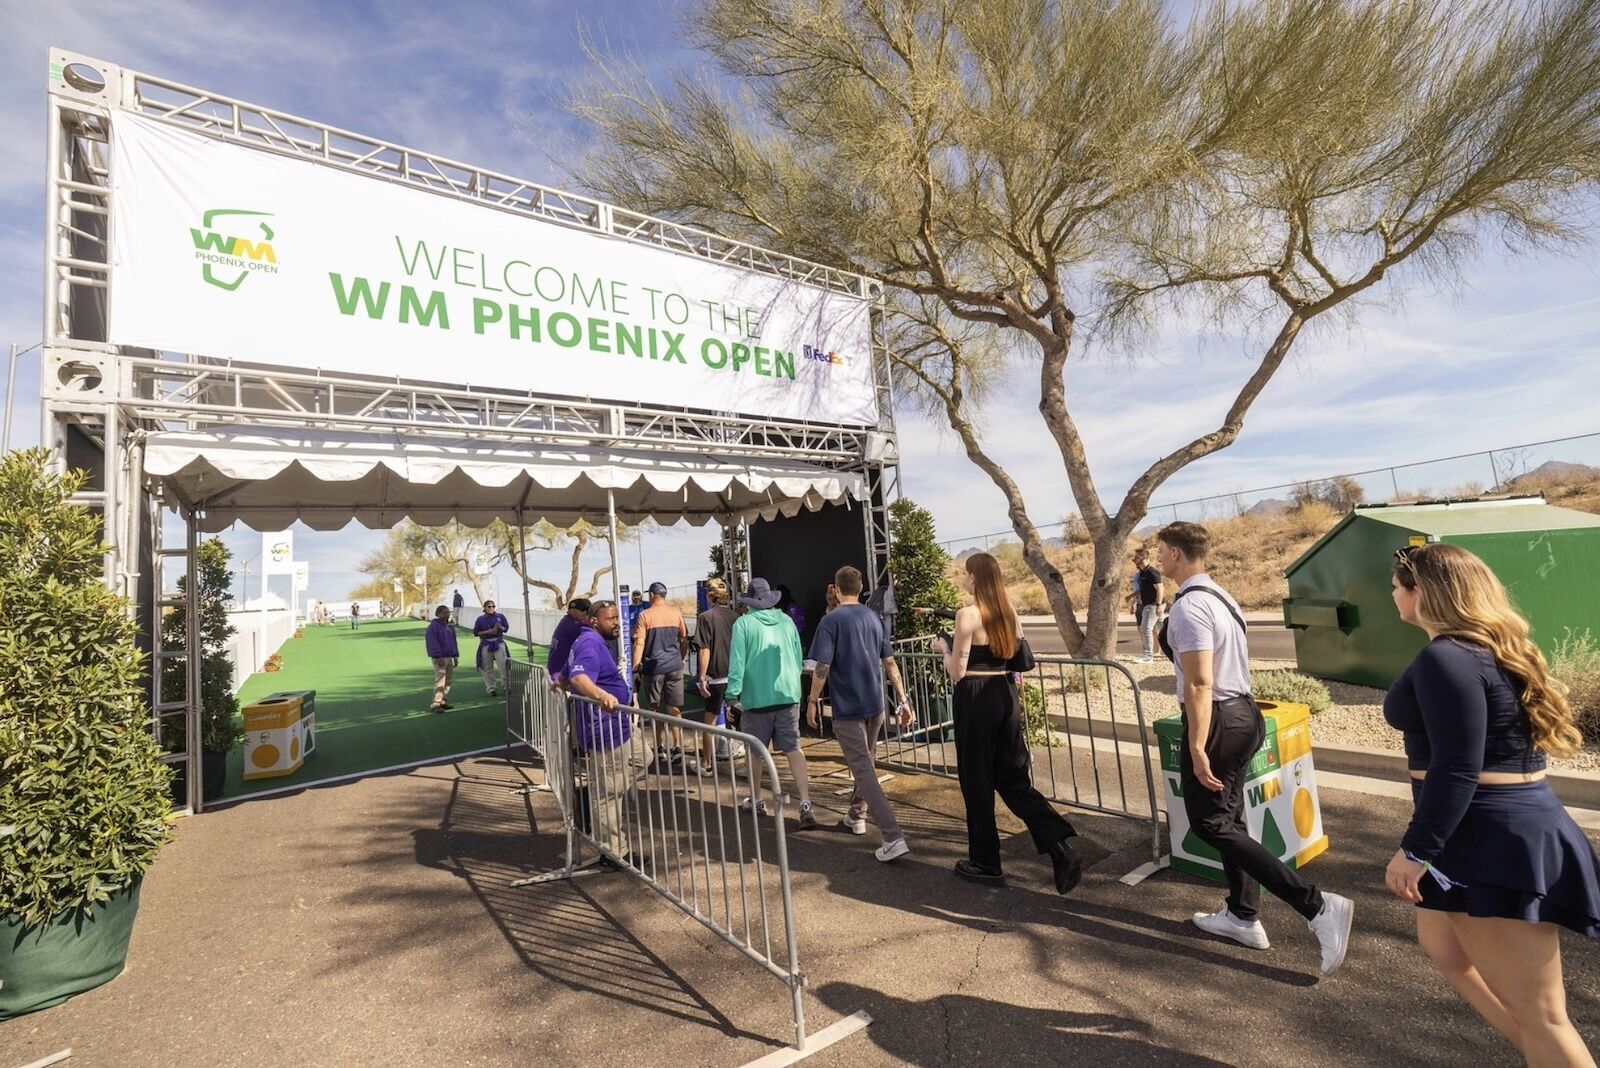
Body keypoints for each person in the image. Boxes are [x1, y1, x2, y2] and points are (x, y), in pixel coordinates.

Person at [1384, 542, 1599, 1062]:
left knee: (1544, 1015)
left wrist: (1416, 851)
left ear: (1422, 593)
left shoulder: (1447, 657)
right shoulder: (1476, 651)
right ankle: (1540, 1055)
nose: (1391, 595)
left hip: (1488, 840)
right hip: (1483, 831)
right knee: (1447, 950)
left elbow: (1459, 766)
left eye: (1396, 586)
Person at [1156, 521, 1353, 974]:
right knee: (1229, 818)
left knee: (1208, 824)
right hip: (1244, 714)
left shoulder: (1189, 608)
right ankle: (1243, 916)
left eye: (1160, 550)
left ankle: (1318, 907)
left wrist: (1198, 745)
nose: (1158, 558)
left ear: (1174, 554)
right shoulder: (1220, 597)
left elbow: (1202, 682)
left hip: (1220, 718)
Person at [932, 552, 1084, 892]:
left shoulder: (967, 615)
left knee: (977, 780)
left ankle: (986, 861)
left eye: (967, 574)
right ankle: (1059, 845)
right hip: (1005, 694)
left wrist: (941, 648)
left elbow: (956, 671)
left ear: (975, 578)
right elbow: (1017, 661)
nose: (964, 579)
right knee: (1013, 778)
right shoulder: (1009, 612)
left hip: (975, 696)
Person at [808, 565, 914, 862]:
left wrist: (812, 700)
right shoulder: (874, 618)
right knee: (866, 763)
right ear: (862, 586)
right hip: (876, 705)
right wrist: (903, 699)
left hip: (849, 707)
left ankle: (892, 835)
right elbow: (890, 663)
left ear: (837, 589)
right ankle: (856, 814)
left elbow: (822, 667)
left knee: (864, 769)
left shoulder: (831, 621)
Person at [726, 578, 817, 830]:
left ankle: (757, 800)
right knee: (793, 748)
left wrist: (732, 695)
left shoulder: (743, 624)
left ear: (750, 601)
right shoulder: (787, 621)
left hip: (756, 698)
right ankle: (806, 802)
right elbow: (798, 654)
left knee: (755, 752)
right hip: (788, 693)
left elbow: (737, 663)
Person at [565, 600, 646, 867]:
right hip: (605, 729)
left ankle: (594, 796)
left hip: (620, 726)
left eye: (617, 618)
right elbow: (578, 678)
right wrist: (602, 695)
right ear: (595, 620)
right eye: (610, 618)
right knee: (609, 792)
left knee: (644, 758)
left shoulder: (592, 641)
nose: (616, 623)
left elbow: (568, 675)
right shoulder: (589, 643)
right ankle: (613, 853)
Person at [634, 581, 692, 772]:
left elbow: (640, 643)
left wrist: (635, 667)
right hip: (674, 666)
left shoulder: (645, 615)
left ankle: (659, 747)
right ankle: (677, 747)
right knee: (674, 708)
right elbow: (684, 639)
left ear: (652, 595)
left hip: (653, 668)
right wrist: (680, 658)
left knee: (654, 708)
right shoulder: (675, 613)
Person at [694, 579, 739, 764]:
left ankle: (706, 762)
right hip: (735, 675)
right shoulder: (736, 617)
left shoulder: (705, 617)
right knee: (738, 716)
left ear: (709, 596)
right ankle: (741, 754)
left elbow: (704, 649)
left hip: (715, 676)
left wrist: (702, 677)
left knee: (710, 720)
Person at [546, 597, 591, 690]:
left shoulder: (566, 621)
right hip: (560, 675)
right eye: (584, 611)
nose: (586, 614)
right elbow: (592, 632)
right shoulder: (573, 626)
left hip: (556, 672)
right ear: (573, 611)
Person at [1130, 547, 1163, 663]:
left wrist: (1158, 605)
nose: (1134, 559)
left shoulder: (1151, 572)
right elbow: (1143, 590)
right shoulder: (1143, 573)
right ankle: (1176, 652)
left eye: (1136, 557)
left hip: (1152, 605)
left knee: (1146, 629)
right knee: (1164, 630)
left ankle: (1148, 656)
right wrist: (1131, 597)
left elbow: (1160, 588)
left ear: (1143, 557)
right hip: (1149, 605)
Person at [473, 599, 511, 697]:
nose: (492, 608)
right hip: (486, 643)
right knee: (487, 667)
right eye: (489, 607)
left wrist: (500, 628)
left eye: (493, 606)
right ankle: (491, 688)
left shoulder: (500, 617)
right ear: (485, 608)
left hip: (498, 642)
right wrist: (488, 632)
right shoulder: (480, 619)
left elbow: (506, 628)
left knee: (503, 664)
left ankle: (506, 685)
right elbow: (476, 632)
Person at [424, 605, 459, 712]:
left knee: (448, 681)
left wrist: (455, 655)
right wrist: (438, 656)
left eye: (448, 612)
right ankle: (436, 703)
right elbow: (432, 643)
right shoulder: (433, 627)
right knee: (440, 680)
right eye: (444, 612)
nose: (446, 614)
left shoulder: (449, 627)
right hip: (440, 657)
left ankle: (443, 700)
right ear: (438, 614)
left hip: (449, 656)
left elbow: (453, 642)